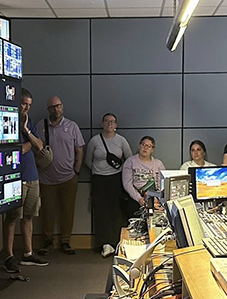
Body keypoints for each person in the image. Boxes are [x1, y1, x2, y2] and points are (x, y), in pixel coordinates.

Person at [3, 89, 50, 272]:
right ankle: (8, 256)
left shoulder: (27, 121)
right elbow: (17, 150)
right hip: (16, 177)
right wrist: (30, 142)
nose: (26, 108)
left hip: (32, 176)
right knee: (13, 217)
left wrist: (26, 130)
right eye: (23, 104)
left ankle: (28, 254)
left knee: (29, 216)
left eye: (29, 105)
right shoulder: (7, 120)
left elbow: (39, 146)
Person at [35, 96, 84, 255]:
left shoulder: (72, 126)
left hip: (68, 178)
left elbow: (79, 149)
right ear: (48, 110)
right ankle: (47, 242)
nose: (56, 109)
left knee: (68, 211)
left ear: (62, 107)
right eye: (52, 107)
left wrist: (76, 170)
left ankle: (65, 241)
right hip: (46, 178)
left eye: (58, 106)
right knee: (47, 212)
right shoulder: (41, 126)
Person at [84, 113, 133, 258]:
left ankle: (116, 242)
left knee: (116, 210)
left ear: (116, 125)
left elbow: (129, 160)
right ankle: (104, 243)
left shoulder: (121, 140)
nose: (109, 124)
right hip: (99, 179)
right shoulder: (95, 141)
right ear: (102, 123)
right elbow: (88, 160)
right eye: (106, 121)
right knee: (101, 211)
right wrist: (98, 171)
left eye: (112, 122)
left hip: (116, 179)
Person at [122, 136, 166, 207]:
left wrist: (157, 198)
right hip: (135, 196)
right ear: (139, 146)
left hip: (154, 197)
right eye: (143, 145)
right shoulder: (130, 162)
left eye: (149, 146)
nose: (145, 148)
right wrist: (139, 198)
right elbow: (127, 184)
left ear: (152, 149)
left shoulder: (158, 164)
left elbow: (161, 184)